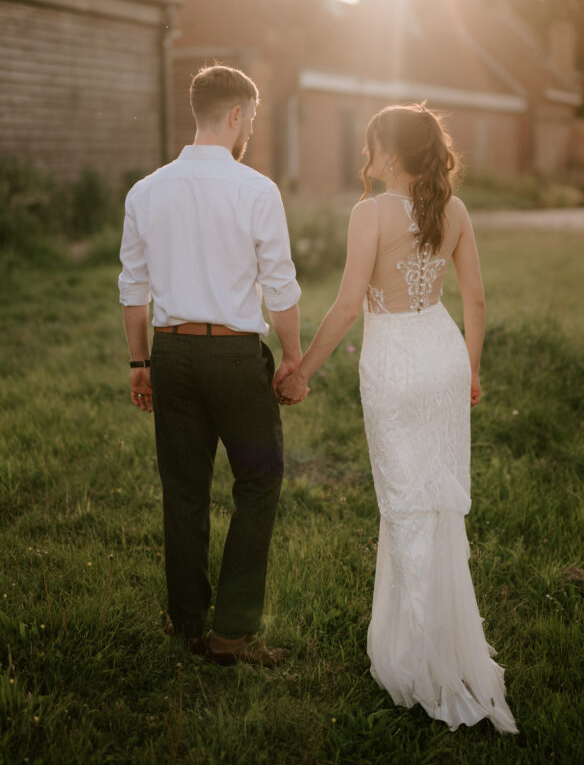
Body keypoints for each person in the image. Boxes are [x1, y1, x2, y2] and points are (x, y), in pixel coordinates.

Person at [279, 103, 518, 733]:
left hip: (394, 364)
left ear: (390, 152)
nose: (366, 156)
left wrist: (301, 371)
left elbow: (348, 305)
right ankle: (440, 645)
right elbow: (475, 299)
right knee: (436, 504)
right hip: (442, 355)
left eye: (371, 145)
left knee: (406, 507)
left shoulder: (370, 213)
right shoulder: (455, 211)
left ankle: (424, 665)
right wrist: (470, 370)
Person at [118, 64, 304, 667]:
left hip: (170, 354)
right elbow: (280, 286)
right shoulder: (257, 190)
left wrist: (139, 361)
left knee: (183, 490)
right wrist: (293, 357)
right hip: (233, 356)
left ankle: (188, 625)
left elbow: (133, 286)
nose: (250, 130)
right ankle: (231, 635)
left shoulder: (146, 191)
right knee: (258, 482)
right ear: (235, 115)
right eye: (251, 118)